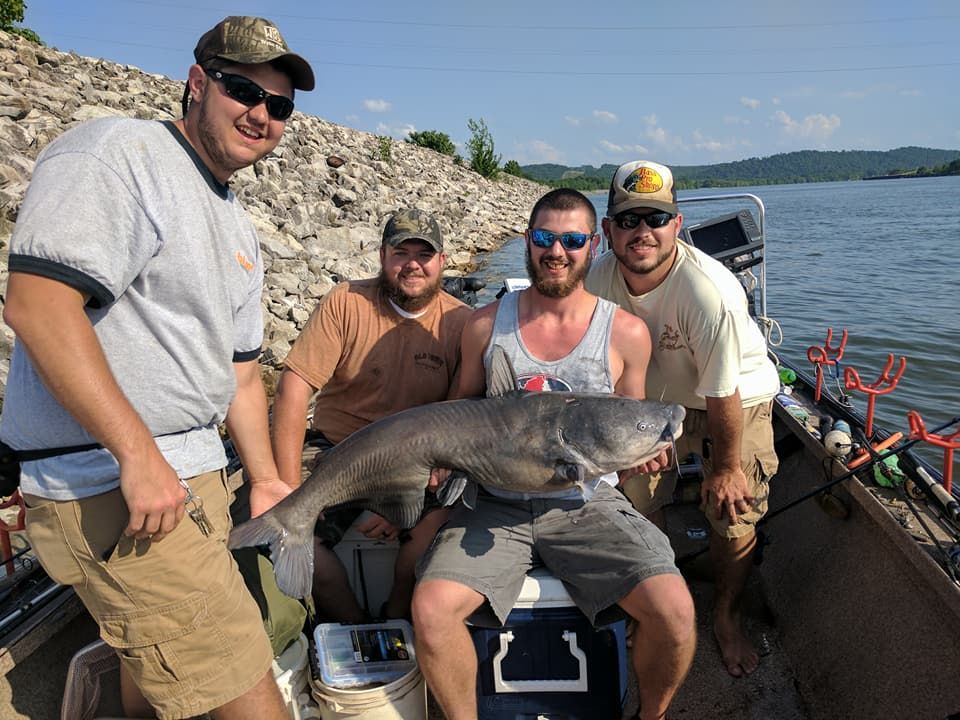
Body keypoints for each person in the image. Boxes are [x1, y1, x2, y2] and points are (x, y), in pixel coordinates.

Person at [0, 16, 314, 720]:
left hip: (192, 475)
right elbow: (39, 307)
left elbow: (238, 373)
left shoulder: (234, 221)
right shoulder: (119, 154)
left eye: (280, 105)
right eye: (243, 89)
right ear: (197, 83)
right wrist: (136, 455)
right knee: (246, 690)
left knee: (163, 678)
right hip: (112, 482)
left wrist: (264, 480)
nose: (261, 114)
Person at [411, 188, 696, 720]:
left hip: (587, 505)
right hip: (494, 505)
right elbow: (455, 416)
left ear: (594, 245)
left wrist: (645, 455)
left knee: (675, 611)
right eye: (545, 238)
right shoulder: (483, 325)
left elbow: (627, 427)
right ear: (528, 241)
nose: (556, 251)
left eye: (571, 240)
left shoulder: (627, 332)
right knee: (430, 610)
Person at [585, 160, 780, 678]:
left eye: (656, 218)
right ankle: (657, 601)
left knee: (732, 512)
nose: (642, 232)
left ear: (676, 224)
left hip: (734, 399)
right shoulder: (597, 278)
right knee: (637, 501)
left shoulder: (705, 291)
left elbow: (723, 393)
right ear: (608, 231)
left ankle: (726, 616)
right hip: (648, 401)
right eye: (628, 221)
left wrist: (725, 467)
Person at [271, 208, 472, 622]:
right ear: (382, 255)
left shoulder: (461, 323)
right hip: (335, 449)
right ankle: (352, 626)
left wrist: (405, 501)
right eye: (401, 253)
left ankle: (397, 614)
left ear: (443, 261)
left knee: (427, 540)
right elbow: (293, 390)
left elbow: (461, 419)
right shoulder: (346, 302)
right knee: (299, 543)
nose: (413, 264)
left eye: (425, 254)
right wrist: (290, 489)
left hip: (416, 460)